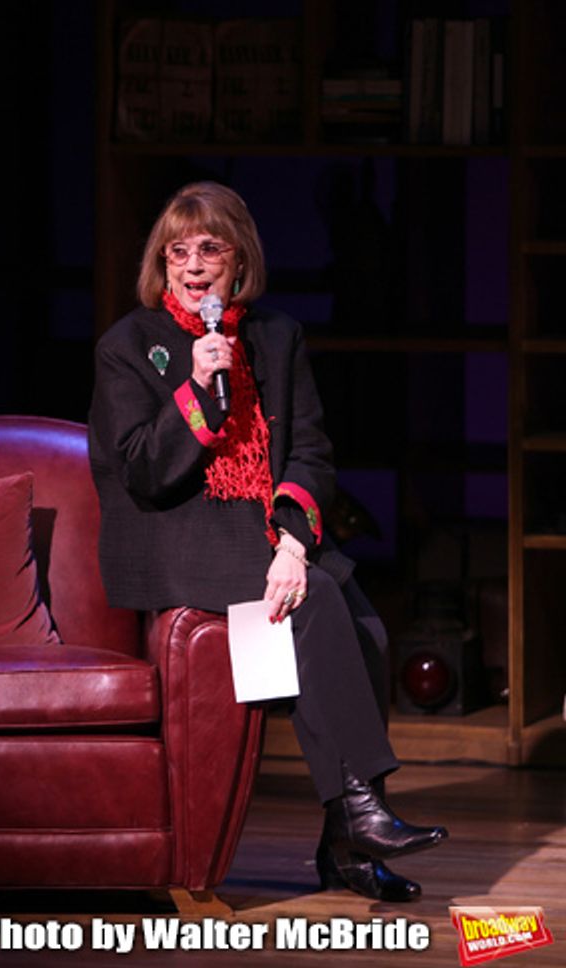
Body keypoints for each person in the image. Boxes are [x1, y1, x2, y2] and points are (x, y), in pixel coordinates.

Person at [87, 181, 448, 901]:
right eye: (177, 252)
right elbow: (140, 473)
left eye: (210, 250)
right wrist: (194, 388)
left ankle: (344, 844)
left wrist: (291, 543)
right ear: (161, 265)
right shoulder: (128, 347)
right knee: (314, 603)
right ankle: (359, 812)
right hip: (177, 538)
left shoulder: (277, 338)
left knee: (367, 626)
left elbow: (311, 451)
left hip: (261, 536)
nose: (193, 267)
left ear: (238, 261)